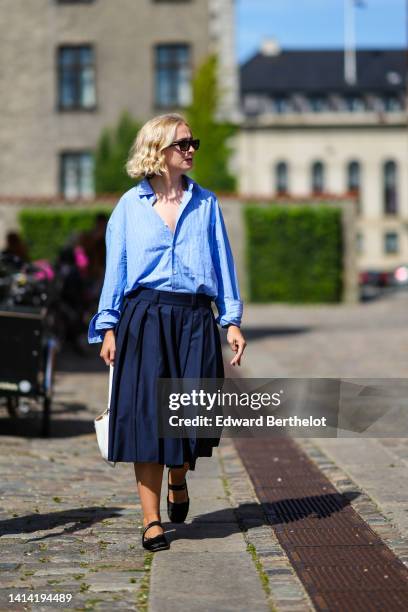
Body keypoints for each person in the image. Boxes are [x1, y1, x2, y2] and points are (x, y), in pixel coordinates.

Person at [88, 113, 246, 552]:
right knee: (146, 421)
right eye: (183, 143)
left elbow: (223, 265)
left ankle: (179, 477)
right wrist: (108, 327)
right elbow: (115, 271)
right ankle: (151, 520)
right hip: (144, 317)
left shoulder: (207, 204)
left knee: (190, 419)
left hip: (194, 318)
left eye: (193, 142)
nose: (192, 149)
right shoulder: (128, 206)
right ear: (158, 149)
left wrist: (230, 321)